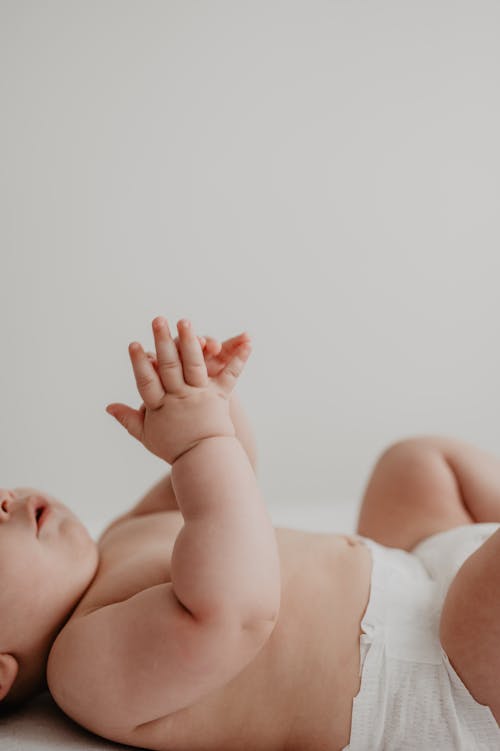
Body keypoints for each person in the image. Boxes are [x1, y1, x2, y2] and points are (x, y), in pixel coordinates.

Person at [1, 316, 499, 751]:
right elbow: (235, 612)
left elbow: (226, 487)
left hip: (418, 571)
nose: (3, 501)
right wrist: (200, 442)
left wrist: (208, 401)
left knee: (414, 465)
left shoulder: (118, 536)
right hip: (437, 673)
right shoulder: (85, 673)